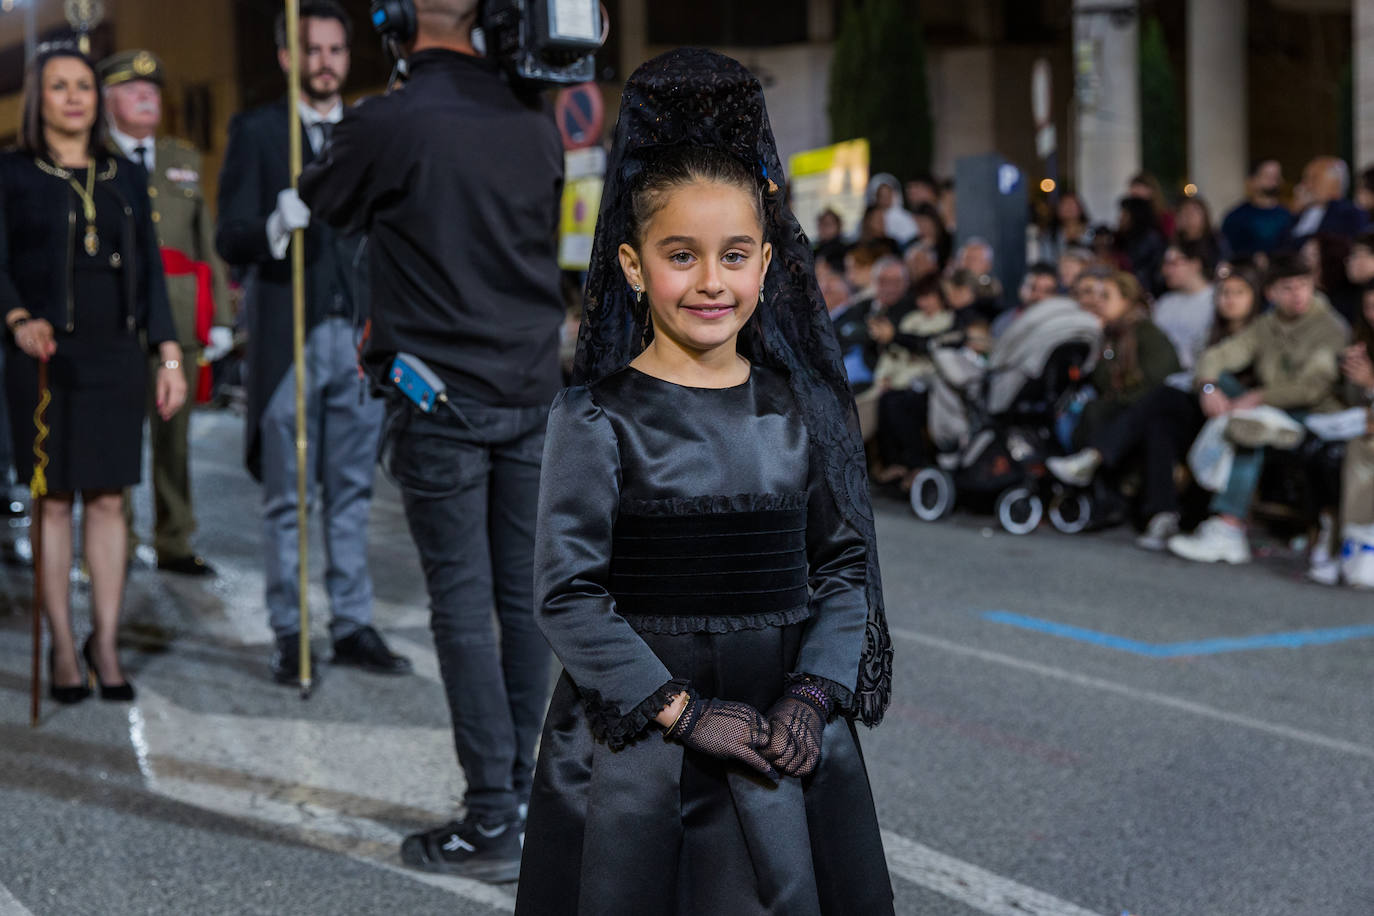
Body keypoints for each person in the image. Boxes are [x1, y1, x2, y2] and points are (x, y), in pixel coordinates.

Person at [515, 49, 894, 915]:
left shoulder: (800, 410)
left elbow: (842, 567)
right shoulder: (594, 418)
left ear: (767, 263)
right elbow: (568, 595)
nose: (711, 281)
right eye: (681, 255)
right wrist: (682, 714)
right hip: (640, 753)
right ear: (633, 265)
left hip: (781, 740)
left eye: (735, 255)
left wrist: (811, 695)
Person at [298, 0, 565, 880]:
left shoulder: (390, 119)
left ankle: (490, 817)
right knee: (523, 604)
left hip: (440, 399)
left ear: (400, 19)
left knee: (461, 604)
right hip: (532, 390)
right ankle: (524, 803)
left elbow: (323, 198)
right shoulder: (535, 120)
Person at [216, 0, 410, 683]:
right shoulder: (258, 130)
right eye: (313, 49)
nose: (325, 62)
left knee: (352, 493)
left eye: (335, 50)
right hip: (289, 340)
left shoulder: (367, 131)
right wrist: (274, 222)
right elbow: (229, 235)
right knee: (287, 499)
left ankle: (352, 624)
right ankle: (289, 630)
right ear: (287, 56)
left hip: (356, 339)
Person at [1, 44, 186, 702]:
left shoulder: (123, 174)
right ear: (39, 99)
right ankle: (61, 642)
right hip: (43, 356)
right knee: (53, 502)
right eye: (59, 86)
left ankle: (103, 641)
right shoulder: (12, 172)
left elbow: (153, 271)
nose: (74, 96)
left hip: (117, 355)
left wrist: (168, 355)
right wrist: (17, 318)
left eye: (83, 85)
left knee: (109, 500)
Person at [99, 49, 233, 576]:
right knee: (117, 437)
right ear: (108, 100)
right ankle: (119, 539)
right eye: (133, 90)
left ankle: (174, 540)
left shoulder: (183, 157)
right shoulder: (94, 157)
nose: (147, 97)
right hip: (115, 319)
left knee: (174, 440)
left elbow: (206, 241)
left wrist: (220, 317)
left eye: (152, 90)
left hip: (177, 318)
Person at [1049, 264, 1264, 548]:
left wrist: (1210, 386)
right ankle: (1162, 514)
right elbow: (1203, 372)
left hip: (1240, 413)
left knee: (1162, 398)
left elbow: (1182, 375)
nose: (1230, 299)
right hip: (1199, 411)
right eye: (1224, 292)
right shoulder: (1207, 333)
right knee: (1157, 424)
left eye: (1239, 293)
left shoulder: (1260, 333)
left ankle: (1096, 457)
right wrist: (1207, 386)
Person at [1168, 254, 1349, 564]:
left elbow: (1312, 389)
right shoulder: (1268, 324)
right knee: (1224, 391)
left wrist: (1259, 397)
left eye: (1304, 286)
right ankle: (1220, 519)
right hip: (1265, 410)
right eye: (1288, 288)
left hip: (1312, 414)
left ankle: (1228, 527)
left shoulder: (1329, 327)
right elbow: (1217, 356)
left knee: (1249, 430)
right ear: (1271, 293)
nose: (1298, 294)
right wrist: (1209, 388)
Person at [1074, 271, 1181, 448]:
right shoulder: (1110, 336)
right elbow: (1102, 382)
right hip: (1121, 405)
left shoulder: (1147, 332)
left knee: (1097, 413)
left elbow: (1160, 379)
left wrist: (1121, 399)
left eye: (1106, 296)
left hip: (1145, 408)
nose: (1098, 302)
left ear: (1126, 299)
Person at [1152, 239, 1217, 374]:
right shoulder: (1165, 302)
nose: (1165, 270)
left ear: (1195, 264)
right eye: (1164, 264)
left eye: (1172, 263)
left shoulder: (1216, 299)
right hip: (1161, 374)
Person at [1285, 156, 1369, 245]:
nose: (1306, 185)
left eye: (1314, 179)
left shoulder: (1350, 214)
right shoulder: (1299, 212)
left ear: (1334, 185)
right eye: (1305, 179)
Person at [1221, 159, 1293, 259]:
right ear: (1253, 180)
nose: (1274, 181)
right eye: (1268, 176)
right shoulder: (1236, 217)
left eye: (1277, 176)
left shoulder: (1288, 215)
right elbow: (1227, 252)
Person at [1117, 196, 1167, 297]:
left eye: (1124, 214)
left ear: (1135, 216)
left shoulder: (1150, 239)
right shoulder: (1125, 238)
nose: (1120, 218)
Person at [1174, 194, 1229, 266]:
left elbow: (1225, 263)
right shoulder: (1176, 245)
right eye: (1185, 212)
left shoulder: (1215, 240)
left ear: (1204, 215)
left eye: (1193, 212)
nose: (1189, 217)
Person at [866, 171, 918, 245]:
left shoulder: (905, 217)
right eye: (881, 195)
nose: (885, 199)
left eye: (887, 195)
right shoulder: (870, 216)